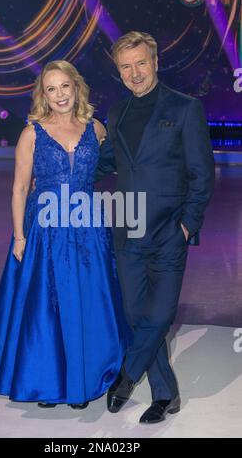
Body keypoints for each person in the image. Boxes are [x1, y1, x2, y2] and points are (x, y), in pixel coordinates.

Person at [0, 60, 131, 409]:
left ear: (76, 87)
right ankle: (47, 381)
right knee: (48, 306)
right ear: (43, 94)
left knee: (87, 302)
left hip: (88, 226)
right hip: (45, 229)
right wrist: (19, 237)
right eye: (51, 88)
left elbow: (114, 166)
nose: (59, 95)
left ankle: (85, 379)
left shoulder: (97, 128)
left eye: (65, 86)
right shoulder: (32, 133)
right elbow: (18, 188)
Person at [95, 31, 215, 424]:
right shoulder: (117, 113)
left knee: (159, 317)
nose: (135, 73)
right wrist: (69, 155)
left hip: (168, 233)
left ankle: (127, 377)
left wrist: (186, 225)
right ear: (119, 71)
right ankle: (165, 394)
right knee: (137, 317)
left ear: (156, 62)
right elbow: (107, 163)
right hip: (127, 231)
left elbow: (202, 173)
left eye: (141, 63)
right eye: (126, 66)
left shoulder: (184, 108)